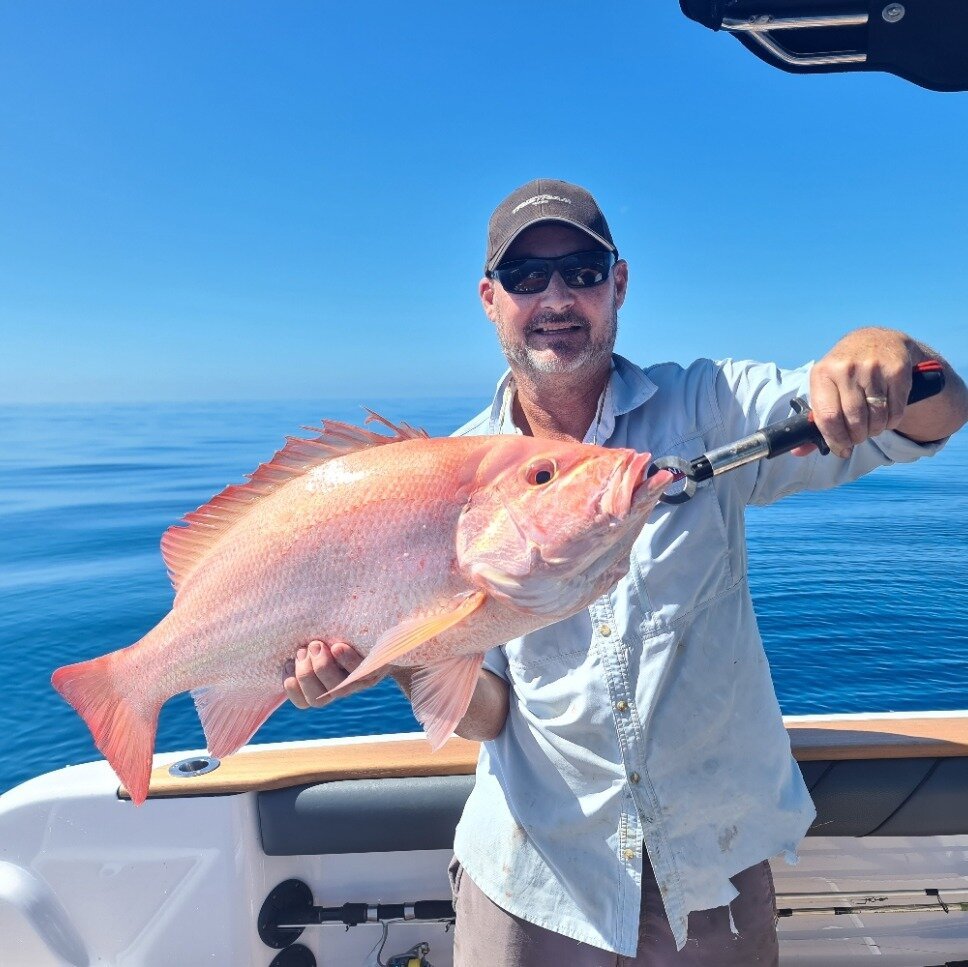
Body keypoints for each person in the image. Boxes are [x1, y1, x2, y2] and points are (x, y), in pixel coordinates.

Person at [283, 179, 968, 965]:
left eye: (580, 269)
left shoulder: (707, 408)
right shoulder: (451, 479)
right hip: (535, 878)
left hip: (711, 875)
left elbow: (925, 421)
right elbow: (492, 715)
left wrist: (887, 356)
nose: (556, 297)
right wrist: (403, 658)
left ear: (619, 284)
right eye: (525, 277)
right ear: (488, 297)